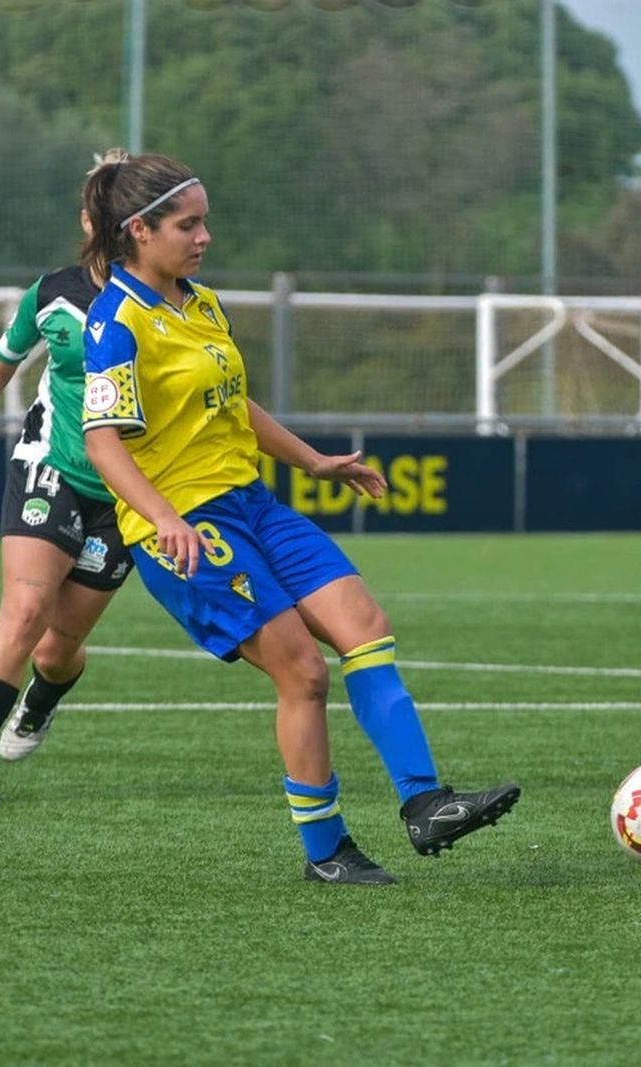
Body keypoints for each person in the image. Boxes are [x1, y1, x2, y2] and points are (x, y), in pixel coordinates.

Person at [79, 150, 519, 885]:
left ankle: (426, 803)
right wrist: (162, 518)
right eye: (188, 224)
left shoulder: (201, 302)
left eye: (205, 222)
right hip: (188, 527)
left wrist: (312, 460)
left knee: (364, 627)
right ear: (141, 231)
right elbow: (102, 443)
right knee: (305, 672)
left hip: (252, 502)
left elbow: (234, 402)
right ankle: (327, 852)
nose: (204, 236)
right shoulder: (116, 322)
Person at [0, 156, 134, 805]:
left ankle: (41, 699)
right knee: (26, 608)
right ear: (92, 220)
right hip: (50, 464)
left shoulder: (170, 306)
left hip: (127, 494)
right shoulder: (53, 294)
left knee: (59, 648)